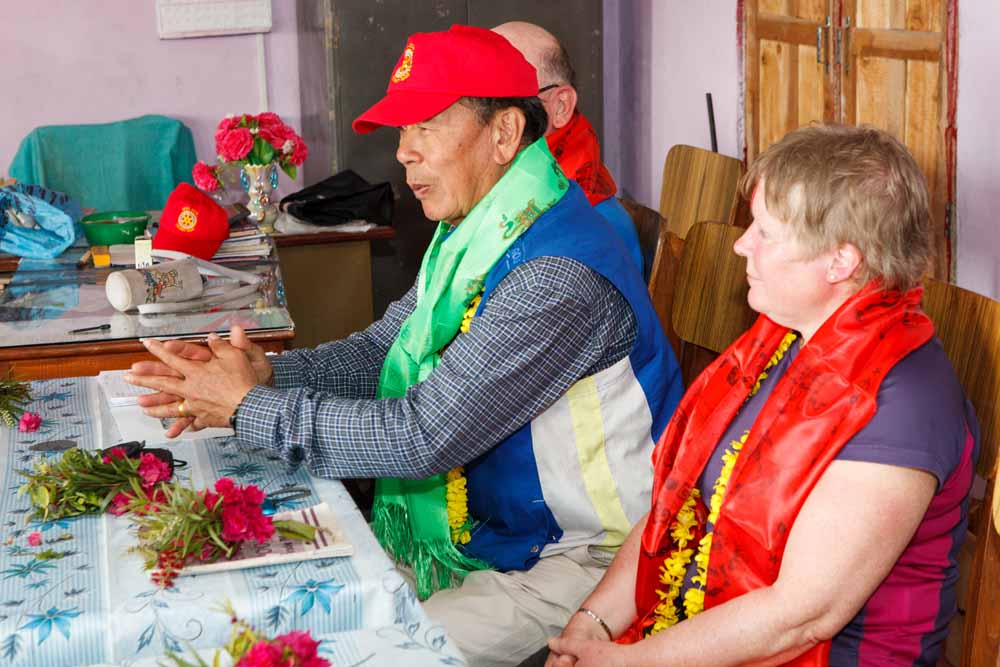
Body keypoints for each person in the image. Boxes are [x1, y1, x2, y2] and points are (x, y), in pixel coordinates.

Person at [125, 25, 683, 667]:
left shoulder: (555, 275)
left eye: (427, 126)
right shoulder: (476, 234)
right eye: (402, 131)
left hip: (587, 560)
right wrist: (267, 372)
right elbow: (381, 350)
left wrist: (249, 407)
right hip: (499, 532)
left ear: (504, 134)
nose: (404, 154)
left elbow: (425, 437)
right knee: (275, 604)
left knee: (353, 650)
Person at [545, 124, 978, 667]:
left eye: (766, 232)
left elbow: (800, 617)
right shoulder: (781, 340)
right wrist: (592, 627)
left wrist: (629, 662)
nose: (741, 243)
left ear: (840, 262)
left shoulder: (903, 402)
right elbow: (676, 508)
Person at [492, 21, 644, 276]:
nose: (483, 116)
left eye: (505, 99)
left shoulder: (581, 229)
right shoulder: (502, 190)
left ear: (561, 106)